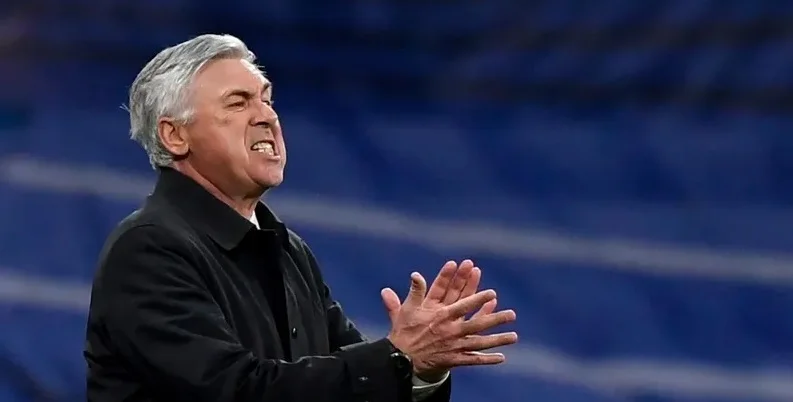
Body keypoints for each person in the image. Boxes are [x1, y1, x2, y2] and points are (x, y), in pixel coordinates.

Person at [84, 34, 518, 402]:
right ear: (175, 135)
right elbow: (237, 390)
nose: (267, 116)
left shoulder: (288, 250)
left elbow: (354, 385)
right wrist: (398, 357)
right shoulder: (149, 250)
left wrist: (421, 369)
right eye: (238, 103)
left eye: (267, 99)